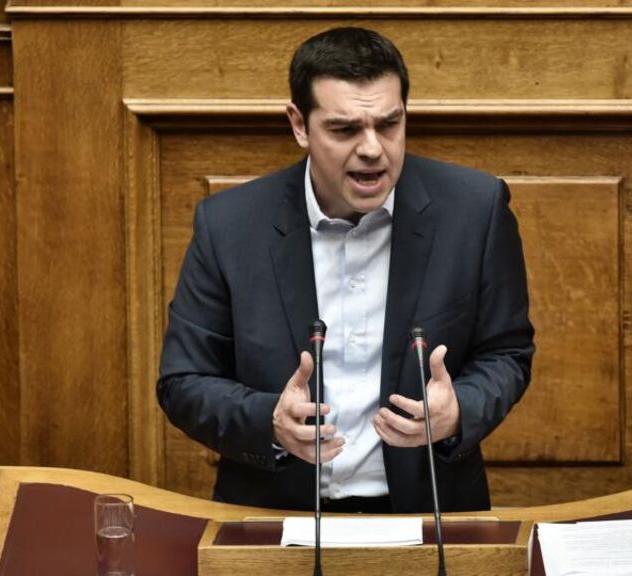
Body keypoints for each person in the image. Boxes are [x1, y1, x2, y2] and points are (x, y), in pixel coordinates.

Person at [157, 27, 534, 514]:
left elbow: (507, 352)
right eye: (345, 130)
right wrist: (268, 420)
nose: (373, 148)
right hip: (277, 517)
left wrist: (461, 408)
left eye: (389, 124)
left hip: (428, 514)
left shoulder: (475, 210)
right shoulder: (229, 225)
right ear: (299, 125)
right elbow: (184, 380)